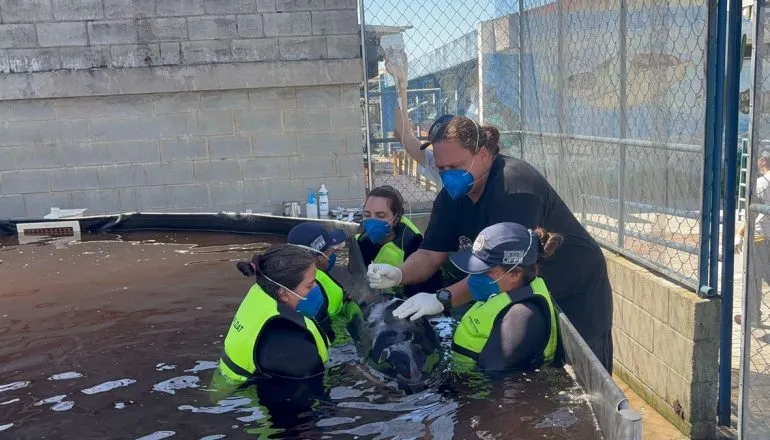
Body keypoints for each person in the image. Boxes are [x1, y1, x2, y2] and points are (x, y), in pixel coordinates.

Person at [367, 115, 615, 373]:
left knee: (584, 371)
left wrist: (443, 297)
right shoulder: (453, 196)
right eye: (441, 169)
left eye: (456, 166)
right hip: (517, 287)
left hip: (572, 285)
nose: (448, 176)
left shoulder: (515, 189)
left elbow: (502, 268)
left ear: (483, 155)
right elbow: (431, 253)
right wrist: (399, 274)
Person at [440, 222, 560, 372]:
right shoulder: (500, 294)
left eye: (485, 271)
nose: (473, 278)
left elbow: (494, 383)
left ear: (515, 273)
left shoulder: (520, 316)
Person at [217, 244, 331, 382]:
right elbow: (310, 394)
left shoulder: (263, 294)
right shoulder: (288, 340)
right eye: (309, 285)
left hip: (226, 385)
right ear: (283, 294)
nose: (316, 288)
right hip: (248, 394)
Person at [357, 185, 443, 297]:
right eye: (367, 215)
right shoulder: (361, 237)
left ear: (396, 219)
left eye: (381, 215)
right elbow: (357, 275)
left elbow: (426, 287)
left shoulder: (412, 242)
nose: (372, 221)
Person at [735, 149, 770, 327]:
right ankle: (752, 315)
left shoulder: (761, 183)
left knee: (754, 276)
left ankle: (752, 316)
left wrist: (739, 234)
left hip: (760, 236)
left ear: (763, 162)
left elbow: (752, 211)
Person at [287, 221, 347, 324]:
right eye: (330, 251)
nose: (332, 255)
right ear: (320, 259)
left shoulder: (275, 273)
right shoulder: (330, 290)